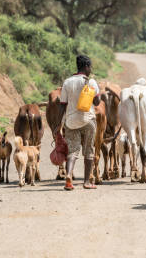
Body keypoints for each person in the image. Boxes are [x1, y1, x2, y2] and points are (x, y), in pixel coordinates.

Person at [55, 55, 100, 190]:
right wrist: (98, 95)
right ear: (86, 66)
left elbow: (62, 105)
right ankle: (86, 182)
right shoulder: (91, 82)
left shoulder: (67, 82)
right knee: (89, 151)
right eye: (90, 67)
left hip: (71, 121)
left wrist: (58, 125)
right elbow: (97, 102)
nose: (90, 70)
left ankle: (68, 176)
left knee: (73, 151)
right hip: (88, 120)